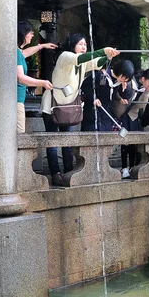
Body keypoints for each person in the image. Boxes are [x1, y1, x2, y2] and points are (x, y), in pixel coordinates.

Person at [41, 33, 119, 186]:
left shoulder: (82, 62)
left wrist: (108, 56)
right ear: (72, 45)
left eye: (85, 44)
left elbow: (97, 63)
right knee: (53, 142)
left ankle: (69, 171)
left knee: (67, 141)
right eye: (80, 44)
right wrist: (103, 50)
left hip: (69, 108)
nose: (84, 47)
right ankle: (55, 173)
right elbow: (82, 58)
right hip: (52, 106)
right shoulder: (65, 56)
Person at [113, 67, 149, 178]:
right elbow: (115, 93)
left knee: (133, 142)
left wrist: (147, 92)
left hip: (133, 116)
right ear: (143, 79)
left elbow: (141, 105)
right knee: (124, 141)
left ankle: (132, 166)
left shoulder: (144, 88)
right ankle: (124, 167)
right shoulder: (130, 82)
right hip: (122, 115)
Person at [17, 21, 55, 134]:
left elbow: (24, 53)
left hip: (18, 99)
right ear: (23, 34)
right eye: (31, 32)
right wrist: (42, 83)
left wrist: (42, 46)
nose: (33, 35)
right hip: (16, 100)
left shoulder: (17, 52)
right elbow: (20, 77)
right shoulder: (15, 52)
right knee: (19, 134)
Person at [81, 60, 134, 132]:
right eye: (124, 78)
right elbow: (85, 86)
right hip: (93, 115)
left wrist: (125, 88)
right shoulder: (102, 75)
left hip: (107, 117)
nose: (124, 81)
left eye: (126, 80)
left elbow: (127, 96)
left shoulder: (118, 81)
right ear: (120, 71)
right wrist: (94, 98)